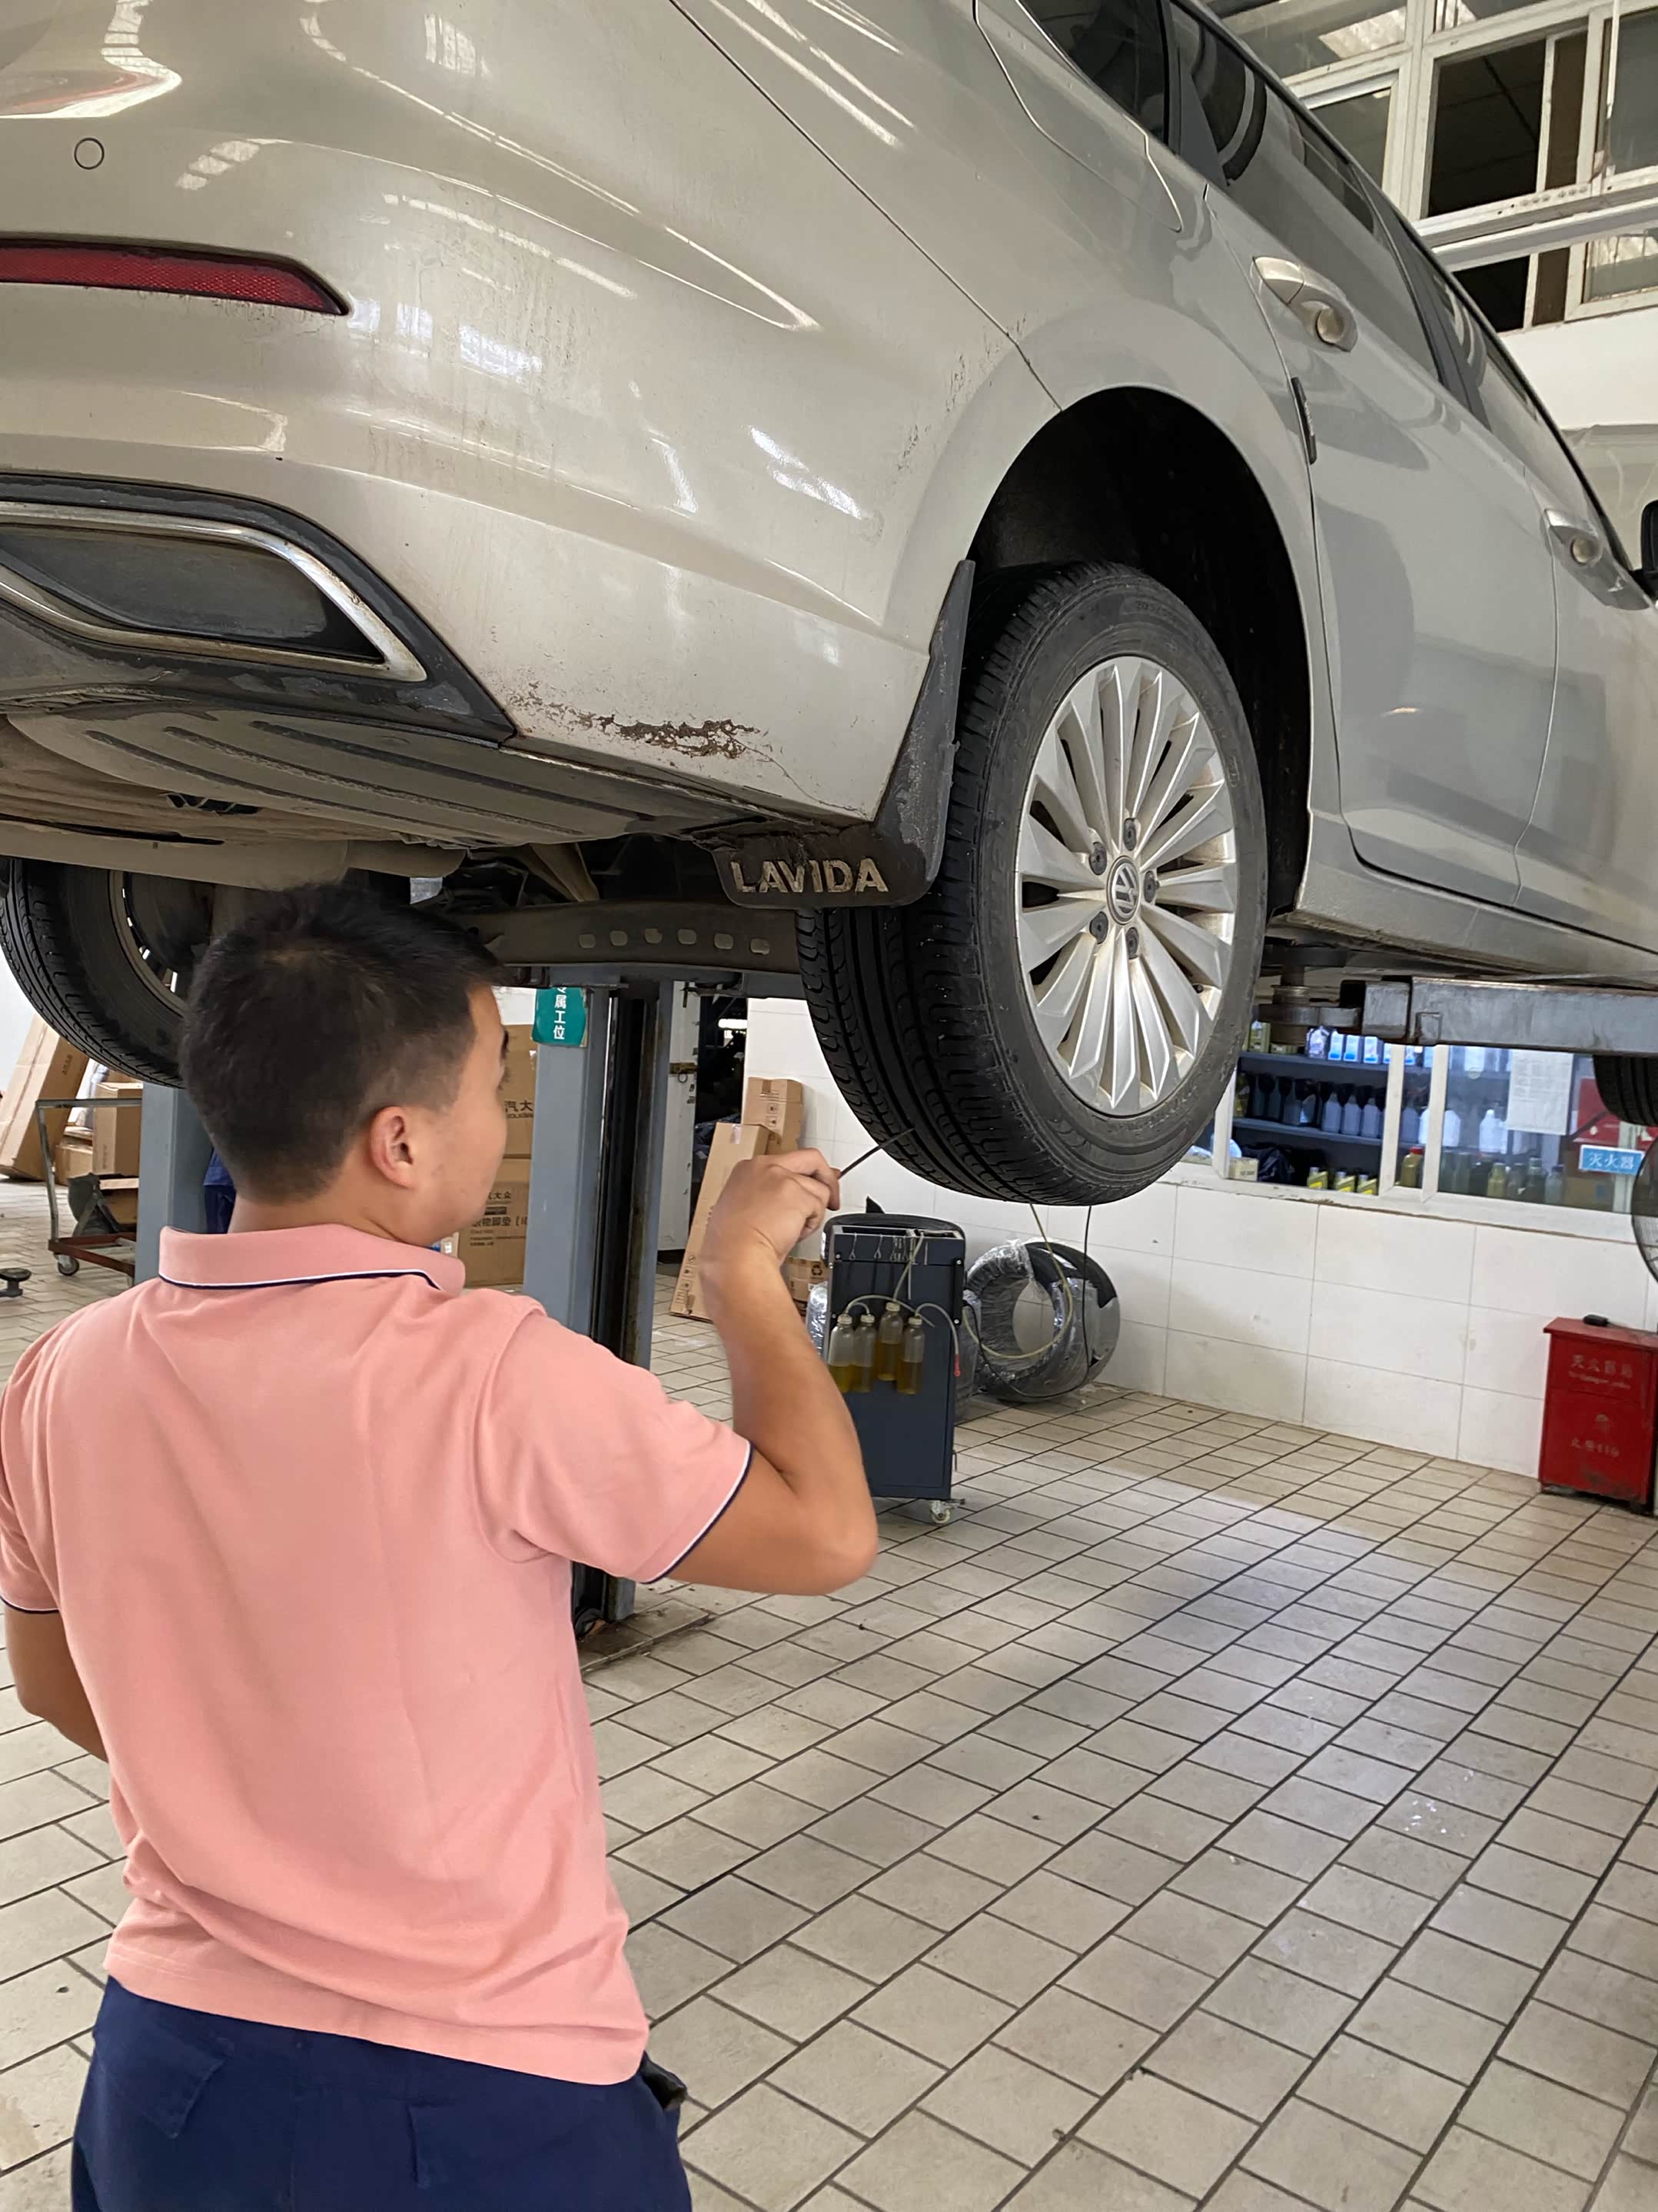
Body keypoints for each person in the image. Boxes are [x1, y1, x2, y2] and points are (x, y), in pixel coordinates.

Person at [0, 886, 874, 2211]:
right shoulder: (495, 1376)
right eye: (491, 1087)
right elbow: (825, 1529)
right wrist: (738, 1270)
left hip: (170, 2080)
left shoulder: (61, 1373)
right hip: (473, 2096)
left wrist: (247, 1786)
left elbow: (56, 1688)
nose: (502, 1115)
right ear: (400, 1142)